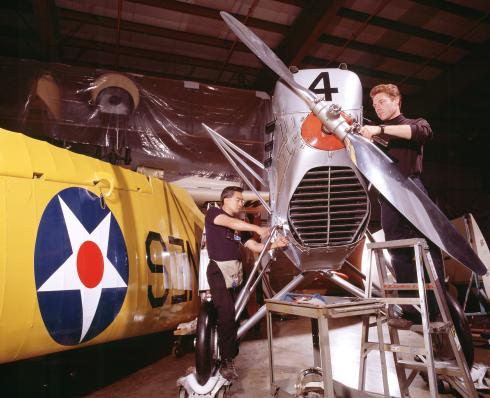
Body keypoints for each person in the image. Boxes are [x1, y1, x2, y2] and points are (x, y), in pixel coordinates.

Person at [359, 83, 446, 329]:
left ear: (397, 101)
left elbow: (422, 132)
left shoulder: (414, 124)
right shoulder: (375, 136)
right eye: (374, 105)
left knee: (427, 246)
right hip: (387, 195)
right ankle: (412, 309)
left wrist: (378, 129)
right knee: (398, 251)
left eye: (382, 102)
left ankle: (438, 305)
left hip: (411, 188)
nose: (377, 108)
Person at [205, 186, 288, 380]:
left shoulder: (239, 226)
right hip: (218, 270)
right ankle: (226, 362)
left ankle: (226, 351)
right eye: (238, 199)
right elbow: (230, 222)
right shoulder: (214, 213)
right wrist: (257, 228)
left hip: (235, 273)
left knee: (235, 316)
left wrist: (276, 244)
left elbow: (255, 246)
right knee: (226, 312)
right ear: (225, 200)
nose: (242, 203)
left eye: (242, 200)